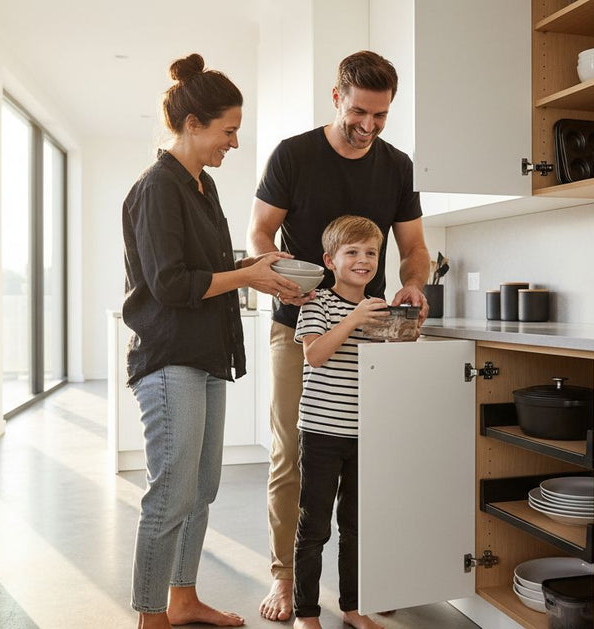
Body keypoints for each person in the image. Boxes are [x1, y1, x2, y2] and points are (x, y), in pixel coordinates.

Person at [247, 50, 431, 621]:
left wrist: (414, 284)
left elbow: (415, 248)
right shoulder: (294, 155)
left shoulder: (397, 165)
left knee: (366, 463)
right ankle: (286, 578)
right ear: (336, 97)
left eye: (380, 116)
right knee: (293, 455)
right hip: (297, 325)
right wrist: (276, 276)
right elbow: (259, 230)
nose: (369, 127)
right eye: (359, 113)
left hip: (373, 336)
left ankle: (361, 586)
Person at [122, 53, 302, 629]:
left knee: (201, 489)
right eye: (228, 131)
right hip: (169, 357)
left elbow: (204, 264)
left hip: (204, 355)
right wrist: (246, 276)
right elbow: (170, 283)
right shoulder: (157, 188)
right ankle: (151, 616)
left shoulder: (202, 187)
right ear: (193, 123)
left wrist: (256, 264)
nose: (234, 143)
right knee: (170, 492)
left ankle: (183, 600)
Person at [293, 215, 408, 629]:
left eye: (371, 253)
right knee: (314, 526)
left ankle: (352, 607)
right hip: (322, 432)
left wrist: (402, 332)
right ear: (330, 260)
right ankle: (305, 612)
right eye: (352, 252)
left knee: (356, 527)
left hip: (366, 433)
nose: (363, 260)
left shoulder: (379, 310)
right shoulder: (316, 303)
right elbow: (315, 355)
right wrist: (354, 319)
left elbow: (386, 366)